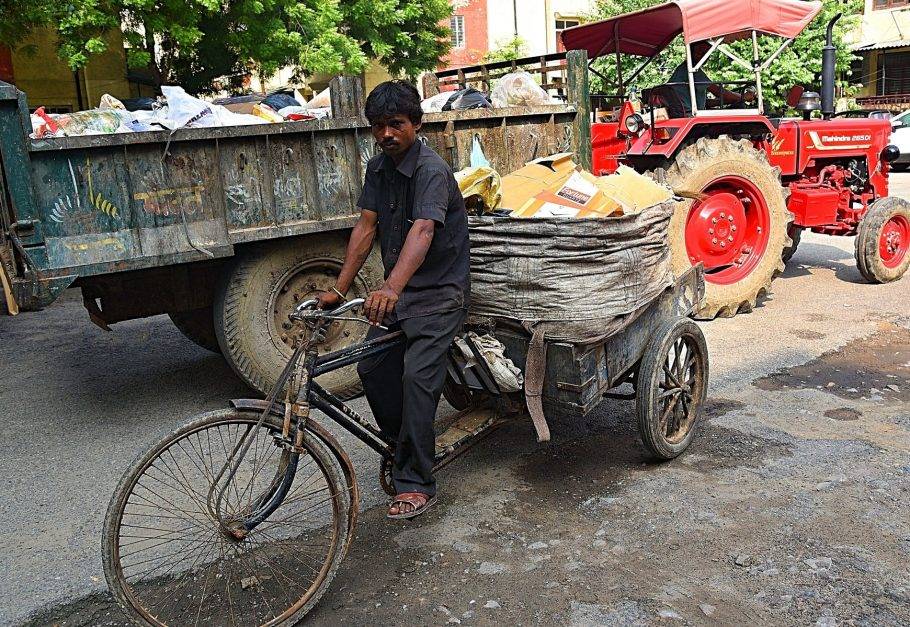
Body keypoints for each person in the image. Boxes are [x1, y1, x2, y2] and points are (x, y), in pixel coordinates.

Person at [316, 80, 471, 520]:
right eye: (378, 126)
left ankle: (418, 480)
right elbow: (365, 229)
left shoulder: (431, 170)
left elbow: (423, 231)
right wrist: (339, 288)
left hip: (441, 295)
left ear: (416, 124)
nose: (386, 134)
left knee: (417, 379)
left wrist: (390, 288)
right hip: (401, 295)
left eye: (395, 124)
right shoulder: (377, 169)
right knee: (372, 367)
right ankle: (403, 447)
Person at [668, 41, 743, 114]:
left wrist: (729, 100)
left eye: (706, 53)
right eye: (700, 52)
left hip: (684, 113)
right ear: (690, 52)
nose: (703, 56)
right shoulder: (691, 71)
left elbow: (704, 103)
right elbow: (719, 92)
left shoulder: (683, 69)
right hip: (689, 115)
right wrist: (743, 97)